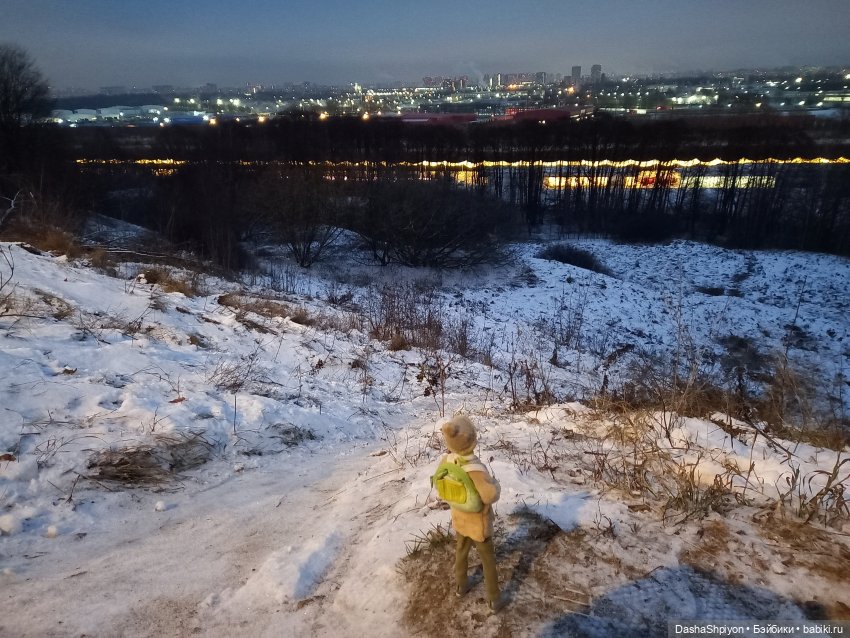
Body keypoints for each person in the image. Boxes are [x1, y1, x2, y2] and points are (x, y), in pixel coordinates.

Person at [436, 414, 504, 611]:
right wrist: (496, 484)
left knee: (461, 552)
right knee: (488, 559)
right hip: (478, 524)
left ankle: (461, 585)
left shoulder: (446, 460)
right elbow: (489, 495)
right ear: (472, 440)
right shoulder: (475, 469)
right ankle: (494, 597)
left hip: (459, 517)